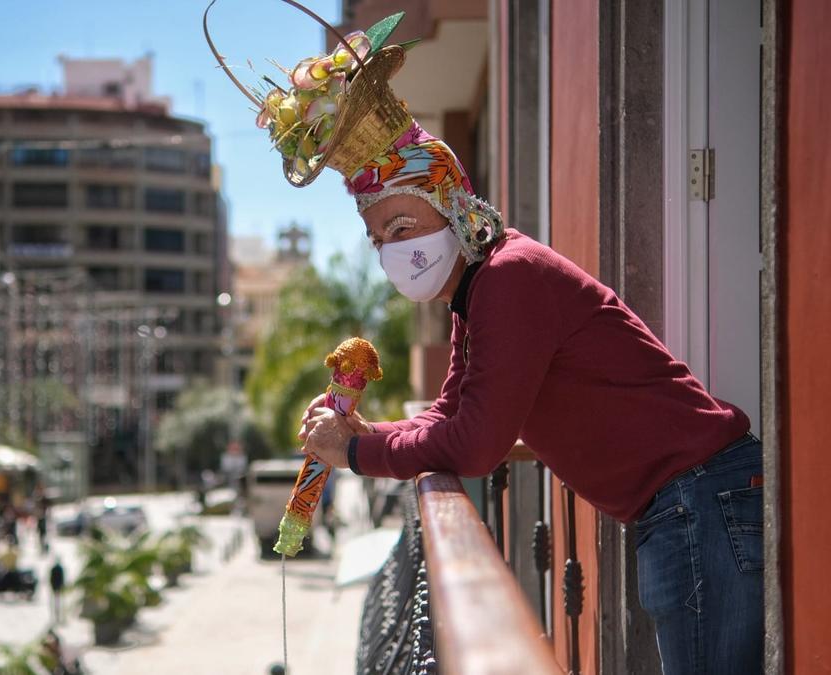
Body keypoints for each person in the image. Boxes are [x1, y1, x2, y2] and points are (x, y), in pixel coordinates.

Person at [205, 5, 762, 673]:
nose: (392, 250)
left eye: (402, 224)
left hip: (700, 502)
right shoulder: (478, 294)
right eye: (379, 238)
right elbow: (448, 414)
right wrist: (360, 430)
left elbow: (475, 443)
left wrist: (354, 452)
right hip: (685, 507)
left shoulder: (509, 277)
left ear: (449, 202)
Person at [48, 559, 65, 625]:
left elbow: (51, 579)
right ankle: (56, 617)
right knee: (57, 603)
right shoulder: (59, 569)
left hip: (55, 587)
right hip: (57, 588)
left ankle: (57, 617)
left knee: (57, 603)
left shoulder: (55, 569)